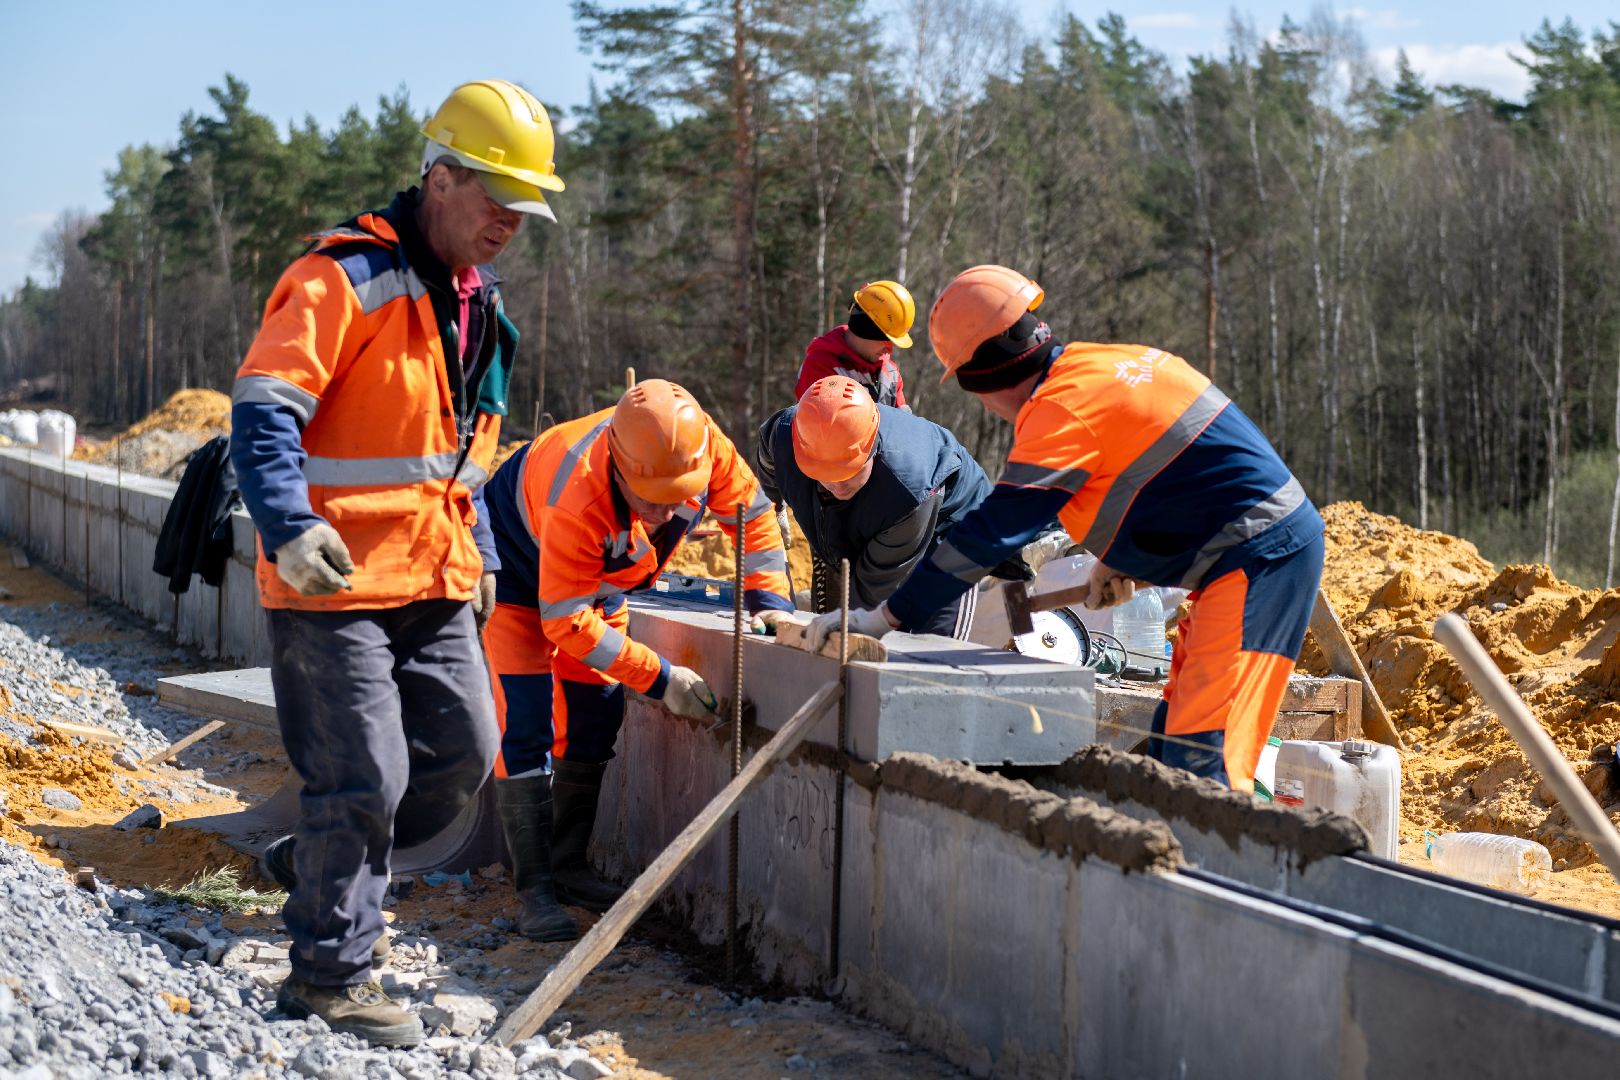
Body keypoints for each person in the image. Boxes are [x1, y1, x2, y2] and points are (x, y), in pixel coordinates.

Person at [229, 79, 564, 1045]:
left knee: (468, 750)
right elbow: (263, 407)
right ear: (441, 176)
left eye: (523, 206)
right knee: (365, 773)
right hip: (331, 582)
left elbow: (467, 455)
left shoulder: (480, 309)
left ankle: (325, 856)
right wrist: (288, 524)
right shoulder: (342, 279)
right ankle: (329, 975)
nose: (510, 220)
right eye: (495, 197)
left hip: (436, 575)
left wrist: (488, 548)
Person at [806, 265, 1324, 794]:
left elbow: (988, 535)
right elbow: (1184, 478)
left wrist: (884, 618)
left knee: (1205, 767)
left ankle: (1217, 871)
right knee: (1174, 750)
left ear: (985, 374)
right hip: (1243, 555)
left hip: (1259, 559)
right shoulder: (1098, 364)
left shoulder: (1059, 412)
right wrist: (1124, 560)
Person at [481, 379, 794, 940]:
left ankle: (570, 865)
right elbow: (566, 622)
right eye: (652, 502)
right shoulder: (576, 493)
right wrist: (661, 677)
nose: (665, 513)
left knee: (596, 713)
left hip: (598, 584)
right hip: (518, 575)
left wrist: (770, 602)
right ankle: (535, 890)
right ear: (619, 469)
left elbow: (756, 520)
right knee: (527, 722)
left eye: (678, 498)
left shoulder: (699, 447)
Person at [756, 375, 990, 637]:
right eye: (827, 473)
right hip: (887, 510)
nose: (839, 485)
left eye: (849, 472)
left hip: (951, 532)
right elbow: (768, 462)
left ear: (872, 448)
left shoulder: (909, 488)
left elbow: (872, 594)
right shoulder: (785, 433)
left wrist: (844, 630)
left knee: (930, 647)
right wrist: (773, 507)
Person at [793, 280, 915, 408]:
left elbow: (905, 423)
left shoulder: (890, 373)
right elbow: (821, 424)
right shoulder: (822, 366)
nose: (890, 349)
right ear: (866, 329)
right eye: (886, 339)